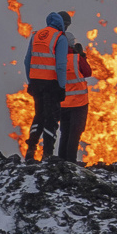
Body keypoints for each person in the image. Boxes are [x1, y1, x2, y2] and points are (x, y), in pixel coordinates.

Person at [22, 11, 70, 162]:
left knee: (39, 116)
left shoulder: (36, 35)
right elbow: (61, 65)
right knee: (51, 119)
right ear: (64, 24)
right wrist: (62, 87)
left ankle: (30, 150)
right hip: (51, 85)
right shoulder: (60, 38)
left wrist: (31, 81)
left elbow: (26, 61)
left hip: (36, 83)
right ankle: (47, 154)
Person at [57, 42, 94, 163]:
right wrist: (82, 57)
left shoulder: (56, 57)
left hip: (63, 103)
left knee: (65, 132)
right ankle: (71, 161)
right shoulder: (76, 58)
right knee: (75, 132)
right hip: (79, 103)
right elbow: (88, 72)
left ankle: (62, 159)